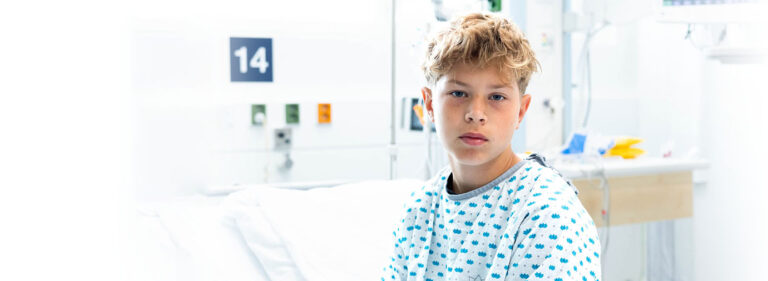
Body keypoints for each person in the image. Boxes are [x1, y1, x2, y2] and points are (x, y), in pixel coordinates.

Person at [381, 12, 601, 281]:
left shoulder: (548, 214)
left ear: (521, 111)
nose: (476, 113)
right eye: (458, 93)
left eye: (496, 97)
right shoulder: (417, 213)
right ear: (429, 104)